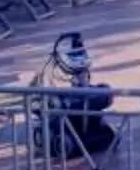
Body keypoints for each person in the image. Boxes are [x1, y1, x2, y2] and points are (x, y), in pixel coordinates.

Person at [37, 30, 118, 159]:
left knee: (88, 95)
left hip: (82, 111)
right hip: (72, 113)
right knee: (63, 103)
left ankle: (88, 133)